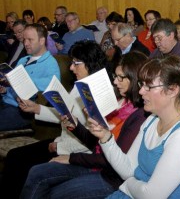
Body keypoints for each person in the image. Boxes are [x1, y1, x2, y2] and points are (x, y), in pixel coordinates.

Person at [20, 51, 148, 199]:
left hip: (108, 176)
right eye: (115, 76)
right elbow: (95, 145)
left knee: (53, 192)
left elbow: (113, 160)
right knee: (37, 172)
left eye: (121, 78)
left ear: (134, 79)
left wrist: (71, 158)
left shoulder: (138, 115)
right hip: (96, 164)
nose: (115, 82)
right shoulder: (120, 103)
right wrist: (74, 126)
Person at [89, 55, 180, 198]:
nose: (141, 92)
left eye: (149, 86)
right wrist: (106, 137)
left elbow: (151, 196)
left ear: (172, 90)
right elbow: (128, 170)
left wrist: (128, 184)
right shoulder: (152, 120)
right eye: (141, 85)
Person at [1, 40, 104, 199]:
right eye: (71, 63)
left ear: (90, 63)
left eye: (76, 63)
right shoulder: (79, 85)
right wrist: (36, 108)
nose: (71, 68)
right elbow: (65, 115)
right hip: (62, 141)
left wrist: (59, 148)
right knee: (15, 155)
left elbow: (93, 141)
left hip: (75, 150)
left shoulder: (97, 92)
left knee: (23, 163)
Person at [0, 23, 60, 131]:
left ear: (42, 41)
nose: (26, 43)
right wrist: (5, 88)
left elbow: (53, 86)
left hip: (20, 110)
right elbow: (13, 85)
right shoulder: (23, 60)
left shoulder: (51, 63)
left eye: (30, 40)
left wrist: (21, 81)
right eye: (24, 40)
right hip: (5, 100)